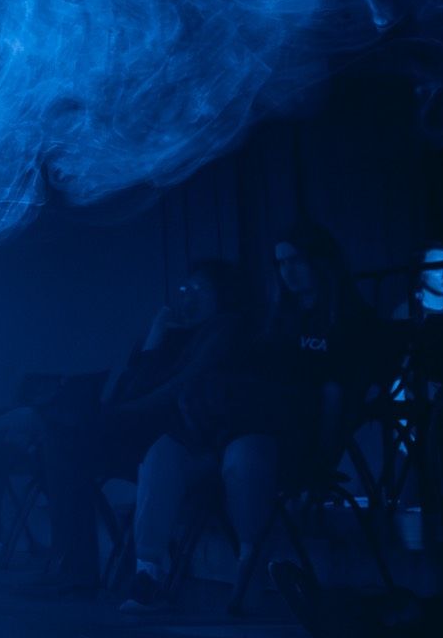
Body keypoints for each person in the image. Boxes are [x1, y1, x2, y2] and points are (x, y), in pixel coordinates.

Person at [33, 260, 267, 606]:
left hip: (178, 438)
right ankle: (70, 564)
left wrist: (114, 417)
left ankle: (76, 567)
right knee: (59, 438)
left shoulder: (223, 330)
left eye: (199, 290)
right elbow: (132, 388)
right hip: (148, 433)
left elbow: (177, 389)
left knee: (67, 439)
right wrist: (155, 340)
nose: (187, 299)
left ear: (222, 295)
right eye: (184, 291)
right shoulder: (178, 335)